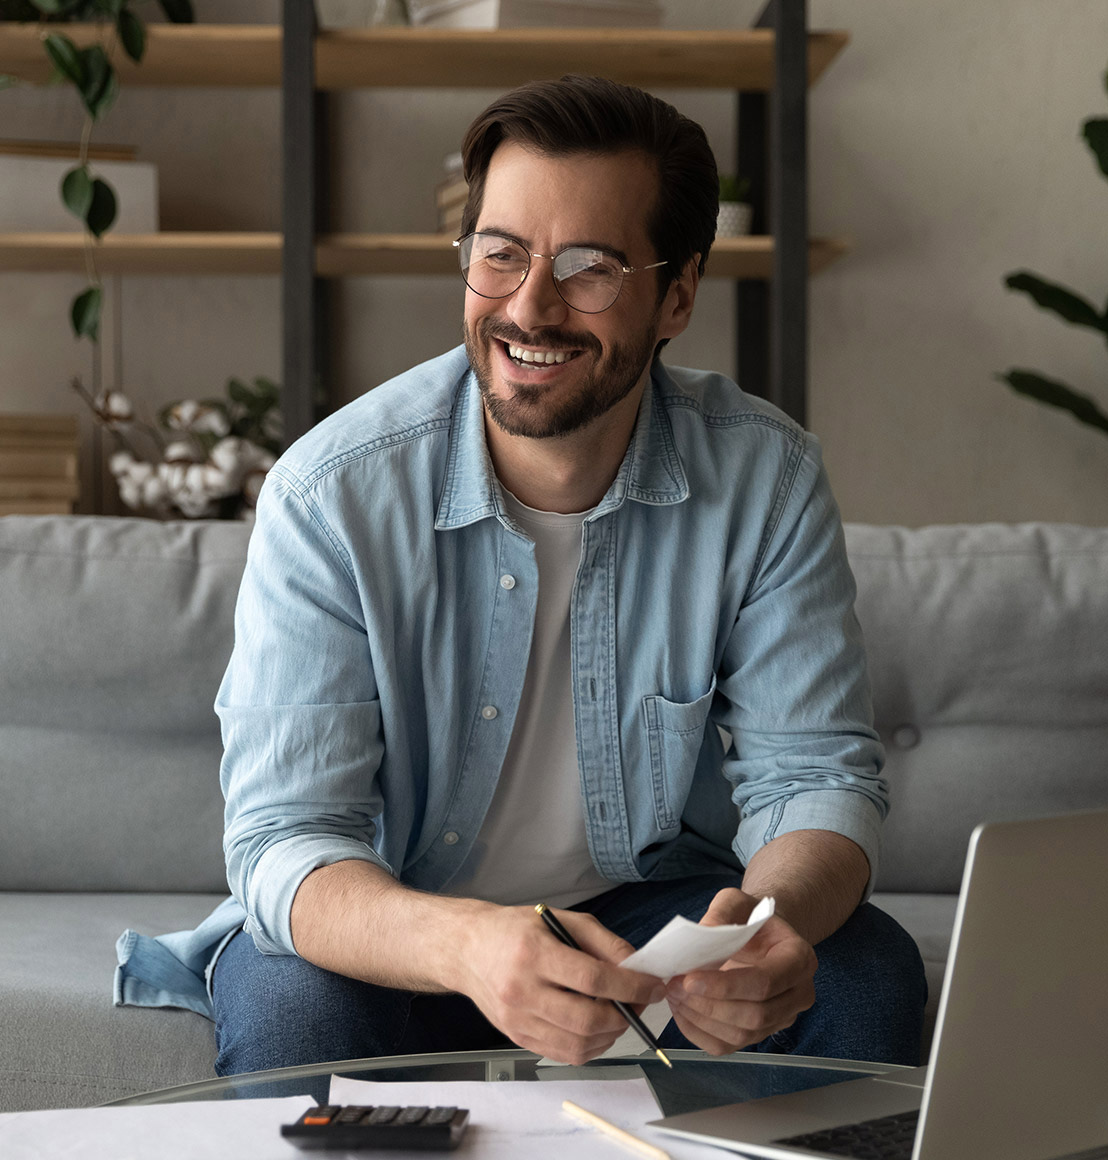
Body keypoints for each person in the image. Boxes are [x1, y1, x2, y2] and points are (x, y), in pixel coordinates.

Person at [113, 74, 927, 1074]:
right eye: (499, 254)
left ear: (677, 294)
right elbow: (289, 840)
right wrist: (469, 946)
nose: (529, 306)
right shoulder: (331, 496)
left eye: (589, 268)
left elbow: (815, 777)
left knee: (868, 974)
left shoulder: (768, 477)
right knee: (296, 1017)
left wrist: (765, 925)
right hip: (400, 920)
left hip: (644, 919)